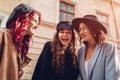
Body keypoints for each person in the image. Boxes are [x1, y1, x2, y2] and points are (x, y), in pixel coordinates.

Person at [72, 15, 120, 80]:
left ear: (94, 29)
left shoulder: (109, 48)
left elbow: (112, 76)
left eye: (84, 28)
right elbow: (80, 75)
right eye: (80, 29)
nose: (81, 32)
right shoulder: (80, 51)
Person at [0, 3, 41, 80]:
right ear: (23, 19)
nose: (37, 25)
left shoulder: (20, 44)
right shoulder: (2, 35)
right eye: (35, 21)